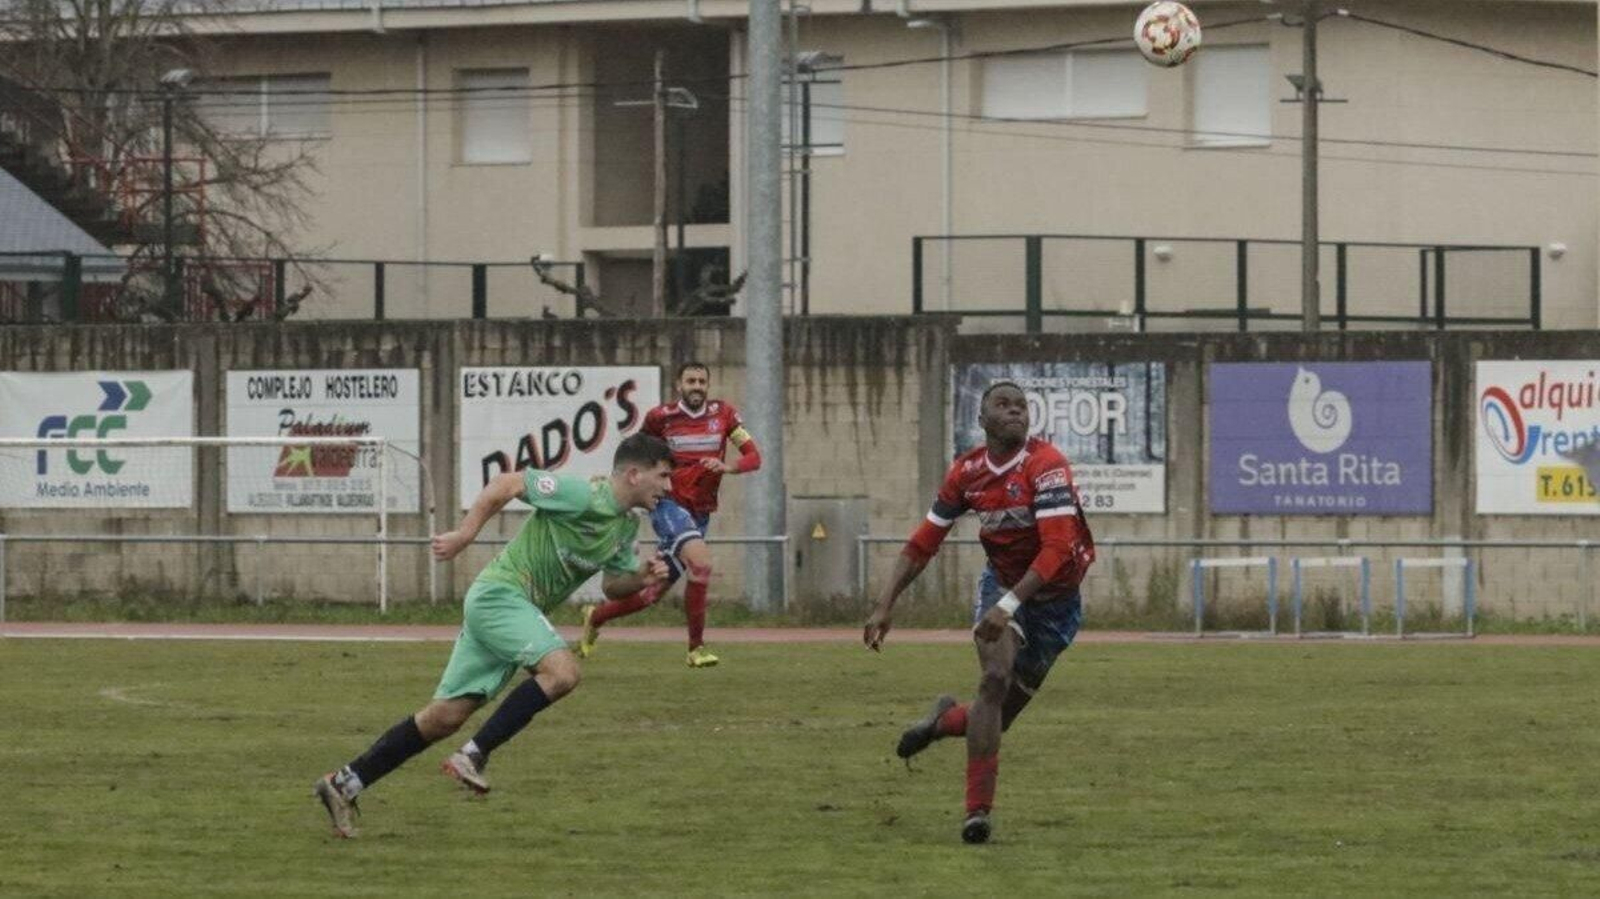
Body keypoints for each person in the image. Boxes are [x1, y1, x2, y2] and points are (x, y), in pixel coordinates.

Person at [312, 433, 674, 838]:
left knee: (443, 717)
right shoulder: (582, 494)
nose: (668, 487)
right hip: (501, 595)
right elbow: (507, 483)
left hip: (515, 611)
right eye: (663, 476)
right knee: (563, 672)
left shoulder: (625, 527)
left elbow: (612, 587)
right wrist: (465, 535)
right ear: (634, 473)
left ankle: (344, 783)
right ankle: (474, 755)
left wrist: (640, 577)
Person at [863, 381, 1096, 845]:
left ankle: (942, 722)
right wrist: (885, 604)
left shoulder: (1046, 465)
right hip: (1004, 585)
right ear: (982, 419)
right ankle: (977, 814)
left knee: (999, 717)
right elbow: (923, 542)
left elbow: (1055, 550)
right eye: (1003, 405)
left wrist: (1012, 604)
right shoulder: (966, 472)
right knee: (993, 678)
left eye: (1021, 406)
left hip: (1055, 602)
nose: (1015, 412)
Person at [578, 362, 762, 668]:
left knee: (652, 592)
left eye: (702, 381)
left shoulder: (724, 415)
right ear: (679, 385)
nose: (697, 386)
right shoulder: (660, 418)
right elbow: (635, 450)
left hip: (700, 513)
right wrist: (620, 484)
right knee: (701, 564)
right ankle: (696, 648)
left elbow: (754, 457)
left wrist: (727, 467)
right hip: (669, 504)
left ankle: (595, 616)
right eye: (690, 380)